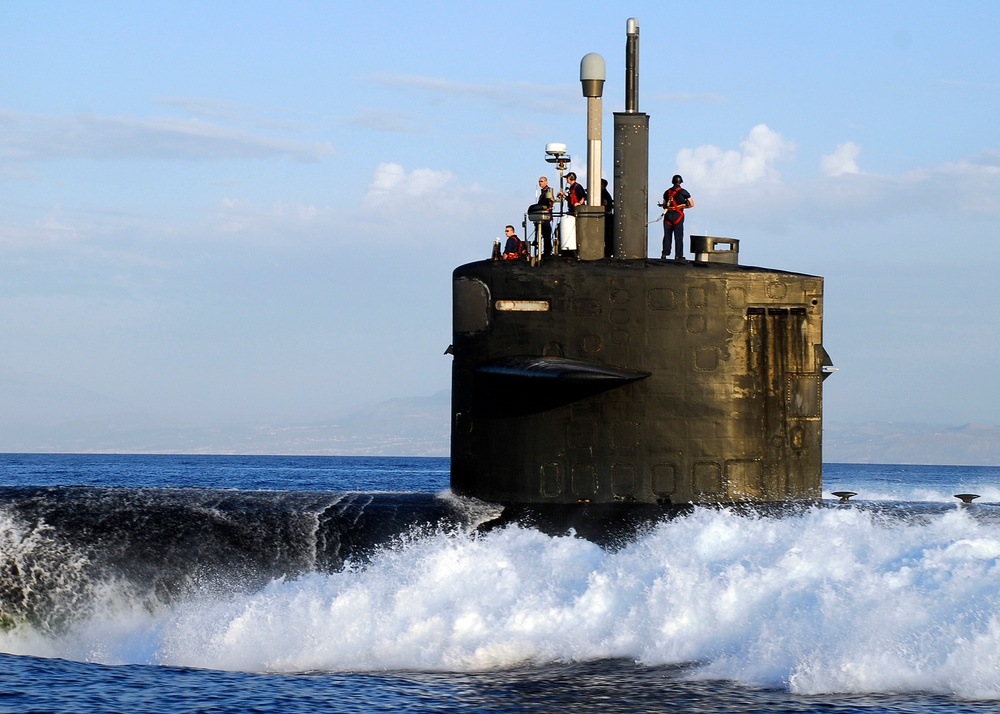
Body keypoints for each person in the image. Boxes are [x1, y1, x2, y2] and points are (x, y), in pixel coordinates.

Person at [659, 174, 693, 261]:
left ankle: (664, 254)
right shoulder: (684, 192)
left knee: (667, 235)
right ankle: (678, 255)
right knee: (678, 236)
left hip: (668, 216)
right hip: (678, 216)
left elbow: (664, 205)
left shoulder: (667, 192)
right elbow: (692, 204)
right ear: (680, 182)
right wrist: (682, 206)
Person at [536, 176, 556, 255]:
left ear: (546, 182)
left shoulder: (548, 191)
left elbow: (551, 201)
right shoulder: (543, 192)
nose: (540, 183)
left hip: (545, 216)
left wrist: (548, 208)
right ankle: (546, 250)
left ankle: (547, 251)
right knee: (544, 234)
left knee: (547, 234)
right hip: (542, 215)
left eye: (542, 181)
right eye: (539, 181)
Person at [601, 178, 614, 257]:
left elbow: (605, 205)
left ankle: (608, 252)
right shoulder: (605, 193)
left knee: (607, 235)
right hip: (605, 217)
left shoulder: (604, 194)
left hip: (605, 218)